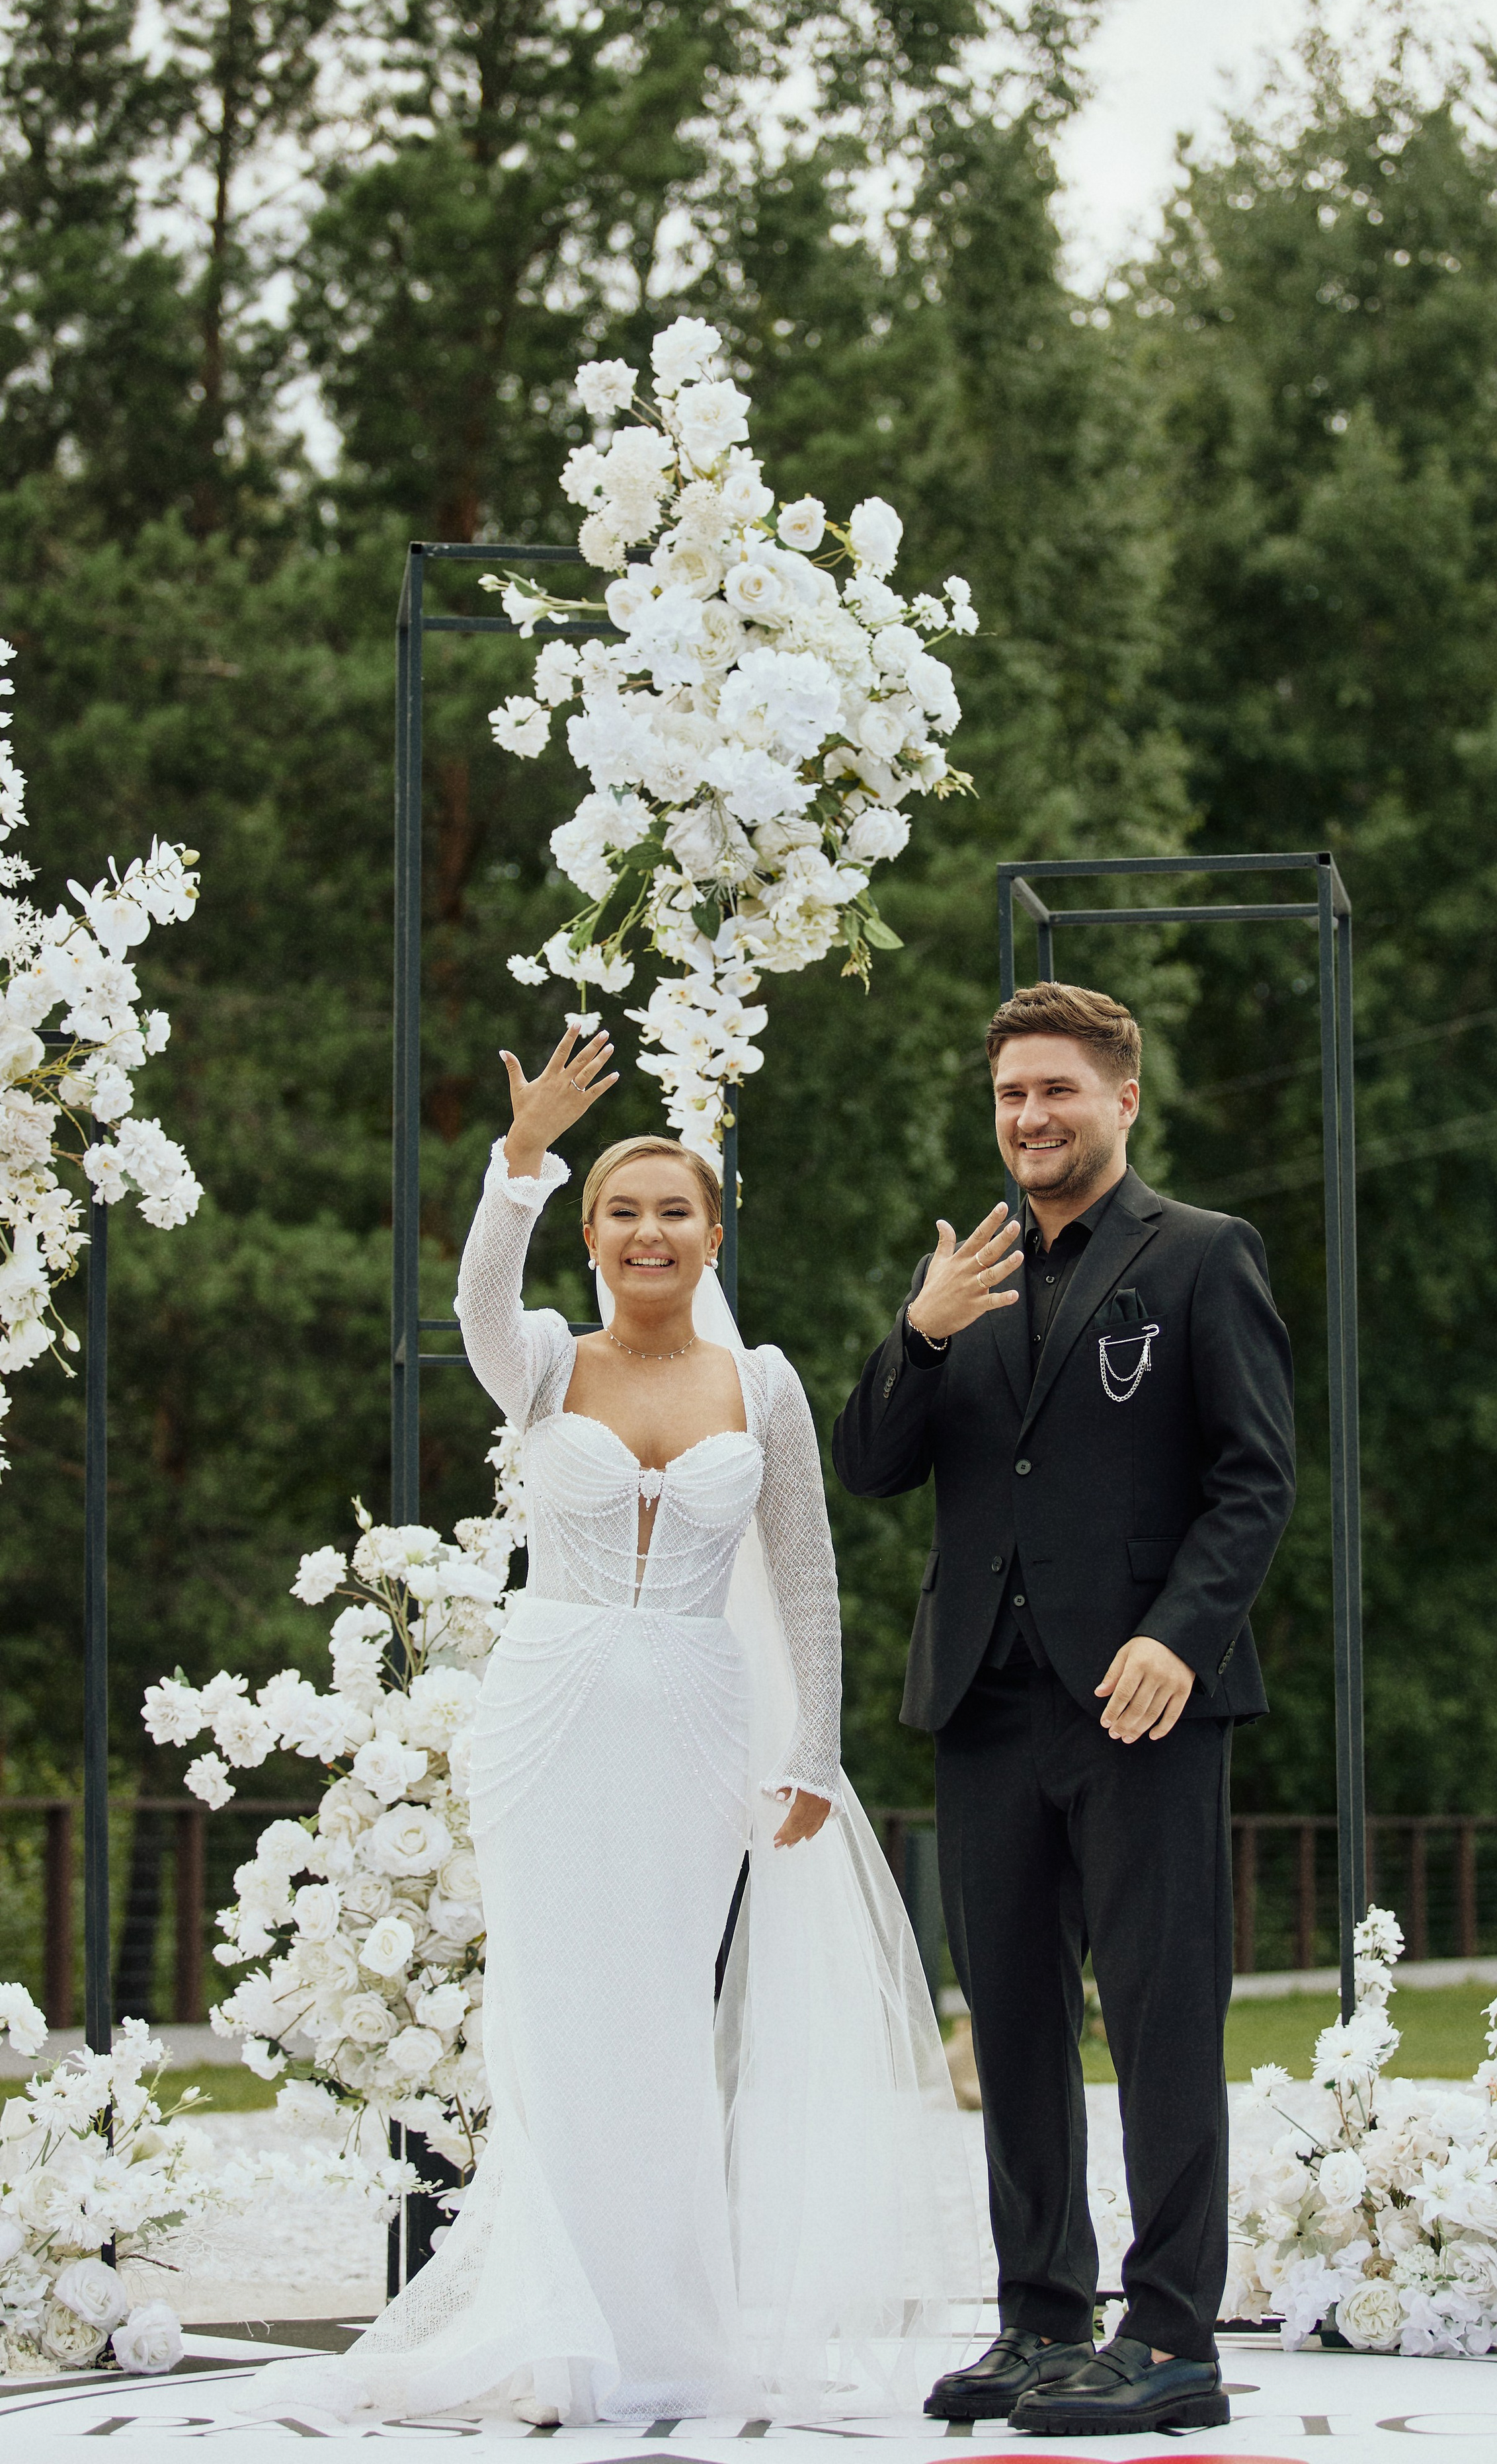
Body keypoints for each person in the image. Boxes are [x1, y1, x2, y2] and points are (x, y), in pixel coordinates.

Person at [249, 1026, 975, 2428]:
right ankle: (550, 2332)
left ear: (711, 1236)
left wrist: (811, 1749)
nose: (650, 1232)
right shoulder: (538, 1363)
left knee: (655, 2026)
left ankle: (657, 2334)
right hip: (551, 1717)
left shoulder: (757, 1384)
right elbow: (471, 1301)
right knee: (554, 2028)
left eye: (675, 1212)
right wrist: (520, 1165)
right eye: (624, 1212)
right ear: (593, 1236)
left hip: (698, 1728)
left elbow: (809, 1578)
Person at [833, 980, 1296, 2437]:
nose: (1029, 1116)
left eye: (1056, 1091)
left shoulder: (1201, 1257)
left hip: (1143, 1708)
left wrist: (1179, 1636)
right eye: (1010, 1096)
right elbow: (868, 1467)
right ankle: (1042, 2321)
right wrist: (914, 1334)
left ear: (1121, 1101)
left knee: (1160, 2025)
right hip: (981, 1704)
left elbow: (1253, 1477)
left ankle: (1171, 2342)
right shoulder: (960, 1275)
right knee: (1016, 2023)